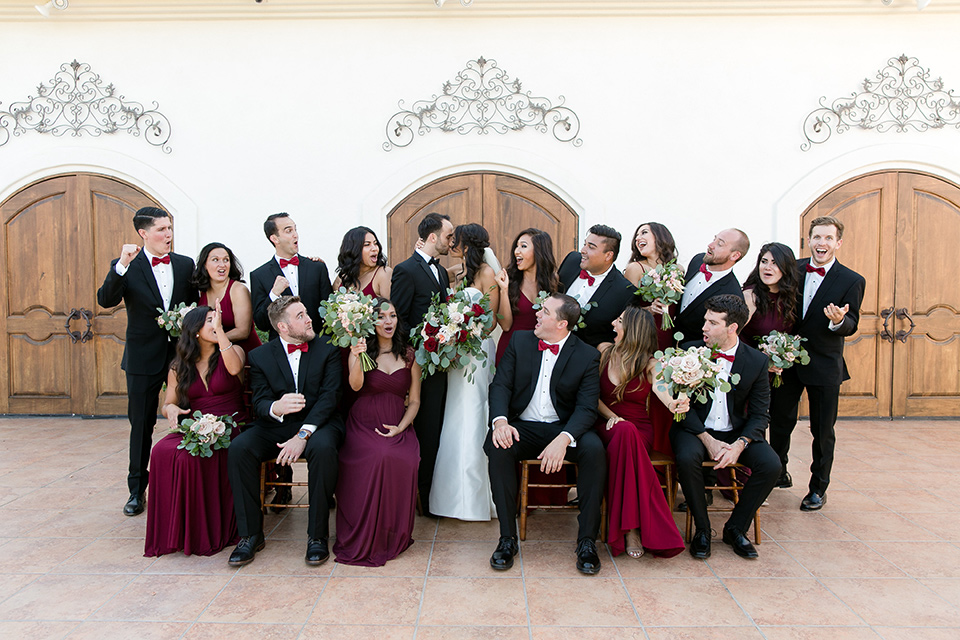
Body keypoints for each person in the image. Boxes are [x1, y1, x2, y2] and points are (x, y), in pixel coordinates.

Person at [485, 293, 605, 575]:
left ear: (562, 324)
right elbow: (500, 385)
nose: (537, 313)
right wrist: (500, 422)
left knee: (594, 450)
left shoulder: (587, 355)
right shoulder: (519, 341)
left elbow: (587, 408)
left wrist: (563, 439)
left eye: (545, 311)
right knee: (497, 447)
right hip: (523, 427)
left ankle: (587, 541)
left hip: (564, 428)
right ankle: (507, 538)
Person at [226, 296, 344, 567]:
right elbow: (259, 402)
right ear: (283, 327)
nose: (309, 318)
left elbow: (330, 397)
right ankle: (250, 535)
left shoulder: (327, 349)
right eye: (300, 316)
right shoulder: (260, 356)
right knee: (240, 448)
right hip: (276, 425)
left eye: (306, 313)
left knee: (324, 449)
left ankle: (317, 536)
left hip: (320, 423)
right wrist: (276, 407)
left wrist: (303, 435)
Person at [97, 206, 198, 517]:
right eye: (161, 230)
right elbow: (105, 299)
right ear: (143, 233)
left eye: (169, 228)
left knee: (188, 416)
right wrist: (121, 266)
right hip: (142, 358)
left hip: (181, 356)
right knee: (141, 424)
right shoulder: (127, 266)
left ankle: (187, 486)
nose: (168, 235)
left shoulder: (184, 264)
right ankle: (136, 490)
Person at [670, 295, 782, 560]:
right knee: (687, 458)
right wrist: (707, 439)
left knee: (771, 465)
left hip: (735, 433)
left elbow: (759, 415)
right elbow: (679, 407)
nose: (704, 327)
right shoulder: (688, 352)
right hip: (693, 429)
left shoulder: (756, 362)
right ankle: (703, 529)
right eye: (705, 321)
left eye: (712, 322)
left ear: (732, 328)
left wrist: (739, 445)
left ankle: (736, 527)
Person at [768, 216, 865, 511]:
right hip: (787, 362)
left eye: (828, 238)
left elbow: (852, 323)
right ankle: (777, 470)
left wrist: (839, 322)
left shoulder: (852, 280)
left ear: (838, 243)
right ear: (808, 240)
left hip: (824, 365)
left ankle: (818, 488)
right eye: (817, 237)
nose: (822, 243)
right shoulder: (793, 269)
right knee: (780, 420)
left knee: (822, 431)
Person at [145, 303, 247, 556]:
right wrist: (170, 410)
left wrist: (221, 330)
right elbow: (168, 402)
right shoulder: (179, 367)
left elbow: (235, 369)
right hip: (197, 424)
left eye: (218, 319)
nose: (216, 324)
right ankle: (174, 531)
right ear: (196, 331)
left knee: (191, 459)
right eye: (210, 321)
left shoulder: (233, 351)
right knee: (161, 451)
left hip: (232, 424)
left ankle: (202, 532)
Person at [334, 299, 422, 565]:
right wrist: (358, 355)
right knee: (379, 456)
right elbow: (355, 385)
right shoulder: (359, 350)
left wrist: (401, 428)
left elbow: (415, 400)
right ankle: (366, 531)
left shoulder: (409, 355)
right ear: (370, 322)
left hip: (397, 423)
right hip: (363, 424)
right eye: (382, 317)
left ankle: (391, 532)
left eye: (393, 316)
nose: (388, 321)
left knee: (407, 458)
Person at [595, 305, 687, 559]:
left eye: (620, 320)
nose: (614, 323)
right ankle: (633, 527)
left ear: (633, 329)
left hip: (638, 431)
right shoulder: (603, 352)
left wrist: (673, 404)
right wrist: (614, 417)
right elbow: (592, 397)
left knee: (628, 434)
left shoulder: (651, 363)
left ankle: (630, 528)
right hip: (606, 424)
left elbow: (662, 390)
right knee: (624, 431)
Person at [430, 224, 499, 521]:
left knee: (473, 414)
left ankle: (474, 499)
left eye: (455, 240)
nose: (452, 243)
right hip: (457, 355)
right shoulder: (460, 274)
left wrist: (467, 331)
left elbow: (492, 320)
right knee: (455, 416)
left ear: (466, 243)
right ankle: (450, 498)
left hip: (477, 352)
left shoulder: (486, 272)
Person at [390, 212, 454, 515]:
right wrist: (406, 362)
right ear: (432, 237)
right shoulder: (405, 270)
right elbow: (398, 319)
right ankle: (417, 497)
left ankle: (431, 495)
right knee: (424, 429)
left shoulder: (441, 273)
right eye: (448, 236)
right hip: (417, 365)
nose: (451, 242)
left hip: (439, 364)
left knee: (436, 428)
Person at [250, 213, 333, 342]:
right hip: (281, 353)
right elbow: (261, 324)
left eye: (295, 229)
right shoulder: (259, 275)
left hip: (318, 346)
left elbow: (330, 312)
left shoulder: (317, 268)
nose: (295, 235)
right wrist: (274, 294)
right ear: (275, 239)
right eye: (289, 231)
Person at [558, 224, 636, 347]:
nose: (583, 250)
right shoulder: (571, 260)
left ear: (608, 255)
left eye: (591, 247)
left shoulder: (624, 291)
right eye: (585, 244)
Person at [671, 228, 748, 344]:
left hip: (690, 353)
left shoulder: (733, 294)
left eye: (720, 244)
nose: (710, 245)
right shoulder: (697, 260)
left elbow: (720, 338)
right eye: (714, 239)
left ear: (734, 255)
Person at [494, 228, 559, 364]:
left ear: (539, 251)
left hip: (540, 351)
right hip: (510, 350)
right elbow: (505, 326)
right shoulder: (509, 281)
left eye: (523, 246)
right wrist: (504, 290)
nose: (517, 251)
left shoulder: (553, 283)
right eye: (517, 246)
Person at [194, 242, 261, 355]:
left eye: (226, 260)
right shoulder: (202, 292)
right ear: (204, 265)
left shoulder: (238, 290)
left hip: (244, 354)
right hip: (216, 356)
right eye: (215, 260)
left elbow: (243, 331)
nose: (222, 264)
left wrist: (210, 340)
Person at [741, 242, 800, 343]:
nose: (767, 267)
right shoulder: (750, 297)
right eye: (764, 261)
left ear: (785, 268)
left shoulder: (789, 296)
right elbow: (730, 335)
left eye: (774, 263)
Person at [333, 226, 392, 298]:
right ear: (353, 250)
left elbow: (390, 308)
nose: (374, 248)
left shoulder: (383, 273)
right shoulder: (342, 278)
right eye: (367, 244)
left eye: (375, 243)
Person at [623, 222, 679, 287]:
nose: (637, 238)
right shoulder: (635, 268)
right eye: (636, 235)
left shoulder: (677, 270)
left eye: (644, 232)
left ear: (659, 236)